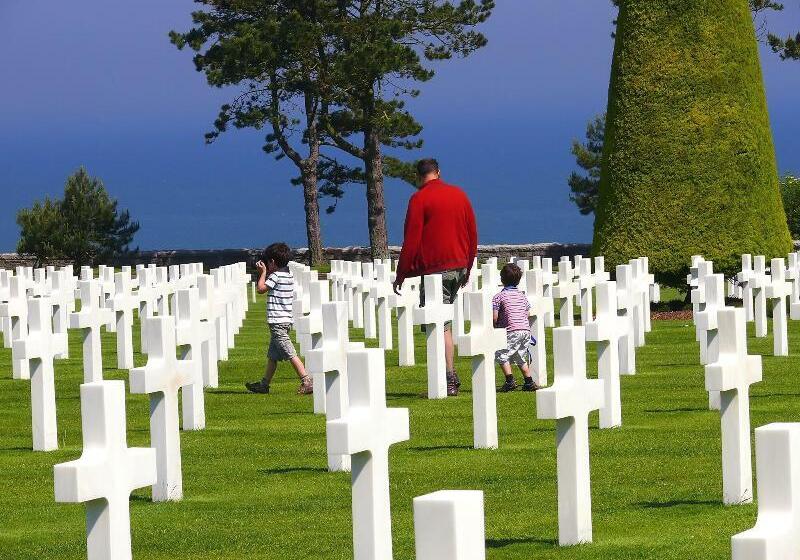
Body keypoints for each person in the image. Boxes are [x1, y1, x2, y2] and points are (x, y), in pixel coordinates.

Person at [392, 158, 478, 397]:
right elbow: (472, 233)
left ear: (418, 177)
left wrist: (402, 274)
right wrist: (467, 268)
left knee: (439, 325)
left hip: (435, 272)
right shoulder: (460, 195)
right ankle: (448, 375)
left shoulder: (419, 199)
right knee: (444, 323)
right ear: (438, 172)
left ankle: (447, 377)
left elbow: (411, 239)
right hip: (458, 266)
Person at [245, 242, 313, 395]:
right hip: (285, 320)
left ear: (272, 262)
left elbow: (261, 289)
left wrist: (262, 273)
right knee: (273, 356)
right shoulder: (288, 276)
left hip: (277, 322)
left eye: (267, 262)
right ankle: (264, 384)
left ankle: (306, 380)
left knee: (290, 353)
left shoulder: (275, 276)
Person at [493, 263, 539, 392]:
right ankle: (529, 382)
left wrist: (496, 326)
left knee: (501, 354)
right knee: (520, 356)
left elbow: (495, 317)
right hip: (525, 330)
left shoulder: (499, 297)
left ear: (502, 279)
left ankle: (510, 381)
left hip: (510, 330)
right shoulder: (521, 295)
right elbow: (527, 312)